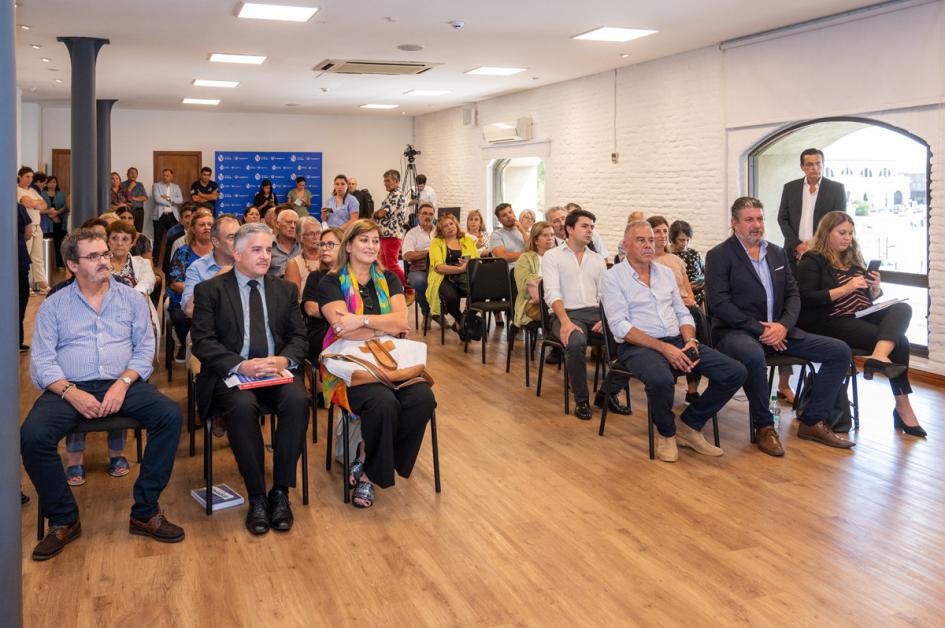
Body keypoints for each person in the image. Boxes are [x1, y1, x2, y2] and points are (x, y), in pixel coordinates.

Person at [21, 228, 185, 561]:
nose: (103, 261)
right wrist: (71, 393)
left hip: (122, 382)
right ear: (71, 264)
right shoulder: (54, 306)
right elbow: (41, 361)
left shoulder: (131, 299)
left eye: (105, 254)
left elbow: (144, 349)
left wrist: (123, 382)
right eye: (93, 256)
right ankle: (64, 519)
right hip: (68, 387)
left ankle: (145, 510)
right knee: (33, 436)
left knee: (169, 415)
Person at [705, 196, 854, 456]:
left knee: (839, 351)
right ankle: (764, 427)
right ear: (734, 224)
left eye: (760, 218)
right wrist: (761, 330)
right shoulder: (719, 255)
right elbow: (719, 304)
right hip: (736, 332)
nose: (756, 225)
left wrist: (782, 327)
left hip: (780, 331)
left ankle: (812, 421)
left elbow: (793, 295)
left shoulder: (776, 252)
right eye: (749, 219)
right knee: (752, 355)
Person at [191, 222, 309, 535]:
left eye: (269, 249)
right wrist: (240, 366)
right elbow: (202, 342)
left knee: (298, 400)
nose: (265, 256)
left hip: (276, 372)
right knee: (242, 408)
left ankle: (280, 491)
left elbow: (299, 336)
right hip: (232, 376)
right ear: (237, 253)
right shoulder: (210, 290)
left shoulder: (284, 290)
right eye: (257, 250)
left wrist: (284, 359)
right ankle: (257, 496)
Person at [601, 221, 747, 462]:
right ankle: (667, 434)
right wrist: (664, 348)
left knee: (735, 372)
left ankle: (690, 425)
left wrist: (690, 341)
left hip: (678, 340)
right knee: (660, 380)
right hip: (638, 346)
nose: (648, 244)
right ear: (626, 245)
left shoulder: (665, 273)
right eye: (641, 240)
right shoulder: (613, 278)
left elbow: (682, 314)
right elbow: (620, 327)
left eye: (651, 240)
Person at [316, 219, 435, 508]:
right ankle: (370, 478)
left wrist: (363, 320)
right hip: (351, 368)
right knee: (383, 403)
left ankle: (367, 459)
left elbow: (402, 321)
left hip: (390, 362)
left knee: (423, 398)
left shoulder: (389, 279)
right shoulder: (330, 282)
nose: (371, 246)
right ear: (349, 245)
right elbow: (343, 329)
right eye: (363, 240)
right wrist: (383, 326)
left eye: (375, 241)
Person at [797, 211, 925, 437]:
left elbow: (865, 296)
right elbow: (805, 299)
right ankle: (903, 407)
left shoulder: (853, 258)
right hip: (831, 319)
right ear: (827, 233)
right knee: (901, 342)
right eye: (842, 233)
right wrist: (845, 288)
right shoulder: (812, 260)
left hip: (860, 312)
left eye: (850, 233)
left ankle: (878, 356)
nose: (848, 238)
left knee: (903, 308)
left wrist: (874, 288)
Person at [63, 219, 157, 485]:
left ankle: (117, 454)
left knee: (120, 386)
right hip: (79, 369)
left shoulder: (139, 267)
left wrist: (128, 296)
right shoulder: (65, 297)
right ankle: (74, 459)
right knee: (74, 387)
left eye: (122, 240)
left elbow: (146, 285)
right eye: (111, 240)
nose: (115, 246)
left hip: (124, 338)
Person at [542, 209, 630, 421]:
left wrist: (605, 318)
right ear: (569, 229)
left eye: (592, 226)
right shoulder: (552, 256)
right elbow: (551, 293)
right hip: (565, 313)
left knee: (630, 338)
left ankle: (607, 394)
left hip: (594, 314)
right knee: (576, 342)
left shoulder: (598, 260)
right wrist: (564, 322)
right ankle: (582, 401)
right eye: (585, 226)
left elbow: (605, 295)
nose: (590, 230)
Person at [777, 148, 847, 264]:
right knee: (792, 282)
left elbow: (839, 222)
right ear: (802, 167)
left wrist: (816, 245)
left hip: (824, 252)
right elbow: (782, 218)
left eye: (818, 164)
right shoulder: (790, 188)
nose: (814, 168)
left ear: (823, 164)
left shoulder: (836, 189)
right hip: (793, 252)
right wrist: (797, 245)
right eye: (809, 164)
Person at [167, 208, 214, 361]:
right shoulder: (183, 252)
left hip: (215, 300)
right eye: (202, 225)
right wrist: (202, 293)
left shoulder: (220, 252)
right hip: (184, 299)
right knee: (180, 316)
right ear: (193, 228)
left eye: (210, 224)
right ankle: (186, 345)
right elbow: (175, 283)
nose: (207, 228)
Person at [426, 213, 480, 334]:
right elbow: (439, 267)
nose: (450, 227)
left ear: (456, 224)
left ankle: (465, 320)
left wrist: (468, 264)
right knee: (451, 297)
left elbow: (477, 259)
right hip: (443, 277)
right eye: (445, 226)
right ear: (441, 230)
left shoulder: (467, 240)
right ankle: (462, 321)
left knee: (478, 293)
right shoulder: (436, 242)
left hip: (465, 277)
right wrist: (461, 269)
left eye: (451, 223)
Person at [182, 214, 242, 318]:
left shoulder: (249, 264)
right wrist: (216, 280)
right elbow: (189, 310)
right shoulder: (197, 268)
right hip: (210, 329)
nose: (238, 243)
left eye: (240, 237)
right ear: (216, 242)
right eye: (232, 237)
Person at [301, 227, 343, 366]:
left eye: (330, 244)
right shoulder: (316, 276)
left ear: (344, 247)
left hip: (352, 330)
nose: (324, 248)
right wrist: (346, 316)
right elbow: (310, 309)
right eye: (322, 244)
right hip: (322, 331)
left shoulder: (353, 276)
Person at [647, 216, 697, 307]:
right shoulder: (644, 263)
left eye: (665, 231)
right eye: (657, 231)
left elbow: (689, 293)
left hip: (685, 309)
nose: (662, 235)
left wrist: (690, 301)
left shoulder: (676, 260)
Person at [513, 221, 555, 328]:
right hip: (533, 304)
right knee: (561, 314)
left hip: (556, 300)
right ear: (536, 240)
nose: (550, 238)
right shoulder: (525, 258)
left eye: (552, 235)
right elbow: (523, 286)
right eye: (545, 235)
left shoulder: (558, 258)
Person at [373, 169, 409, 286]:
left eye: (388, 180)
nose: (385, 183)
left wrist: (373, 215)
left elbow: (381, 213)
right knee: (384, 266)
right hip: (387, 236)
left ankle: (410, 289)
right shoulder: (392, 195)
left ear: (397, 181)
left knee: (392, 265)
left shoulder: (396, 195)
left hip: (392, 236)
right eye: (384, 181)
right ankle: (389, 289)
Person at [17, 166, 50, 293]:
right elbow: (27, 203)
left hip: (37, 226)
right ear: (20, 176)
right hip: (26, 227)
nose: (29, 179)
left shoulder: (32, 190)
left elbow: (44, 204)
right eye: (27, 177)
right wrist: (35, 203)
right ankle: (25, 284)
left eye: (31, 177)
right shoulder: (17, 190)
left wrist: (34, 202)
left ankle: (42, 283)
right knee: (25, 256)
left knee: (38, 256)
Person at [402, 202, 436, 324]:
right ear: (418, 215)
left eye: (431, 214)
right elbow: (407, 255)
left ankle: (439, 313)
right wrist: (428, 252)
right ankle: (426, 313)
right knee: (420, 282)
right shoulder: (412, 233)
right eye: (424, 213)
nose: (428, 216)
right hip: (418, 268)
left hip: (438, 267)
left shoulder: (439, 232)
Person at [284, 216, 322, 299]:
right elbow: (293, 300)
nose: (316, 237)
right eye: (311, 234)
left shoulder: (328, 258)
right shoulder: (294, 264)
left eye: (318, 233)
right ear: (300, 237)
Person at [669, 220, 705, 305]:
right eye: (681, 240)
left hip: (701, 296)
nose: (685, 244)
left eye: (687, 240)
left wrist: (702, 282)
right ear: (672, 238)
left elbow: (705, 271)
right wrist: (686, 286)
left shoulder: (694, 253)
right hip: (680, 299)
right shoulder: (667, 257)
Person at [152, 168, 184, 260]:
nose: (165, 177)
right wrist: (172, 201)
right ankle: (155, 260)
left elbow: (180, 200)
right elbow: (157, 199)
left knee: (173, 238)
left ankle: (172, 258)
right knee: (157, 239)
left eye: (168, 175)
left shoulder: (176, 187)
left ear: (172, 176)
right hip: (160, 216)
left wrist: (168, 198)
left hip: (172, 216)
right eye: (164, 175)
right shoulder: (156, 185)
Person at [160, 203, 195, 276]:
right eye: (187, 216)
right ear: (181, 220)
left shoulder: (205, 237)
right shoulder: (175, 238)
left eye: (193, 216)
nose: (191, 219)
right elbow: (169, 266)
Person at [41, 175, 69, 269]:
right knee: (45, 244)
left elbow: (66, 206)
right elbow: (41, 207)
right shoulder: (42, 193)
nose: (52, 184)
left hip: (59, 222)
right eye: (50, 182)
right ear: (46, 183)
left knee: (59, 244)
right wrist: (51, 215)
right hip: (46, 223)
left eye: (54, 182)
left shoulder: (62, 194)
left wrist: (57, 212)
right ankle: (45, 266)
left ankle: (60, 265)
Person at [489, 203, 528, 269]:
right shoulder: (496, 234)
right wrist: (526, 255)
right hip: (510, 270)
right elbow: (503, 256)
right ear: (500, 220)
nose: (509, 216)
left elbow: (533, 250)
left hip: (527, 268)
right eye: (504, 215)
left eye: (510, 212)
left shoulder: (523, 232)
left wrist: (523, 231)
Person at [16, 202, 32, 351]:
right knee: (21, 297)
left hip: (19, 257)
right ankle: (17, 339)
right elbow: (28, 232)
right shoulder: (18, 207)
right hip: (18, 255)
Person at [269, 209, 300, 278]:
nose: (293, 226)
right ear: (277, 224)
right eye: (289, 222)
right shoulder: (268, 246)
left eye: (296, 223)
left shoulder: (303, 246)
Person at [122, 167, 149, 231]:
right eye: (131, 173)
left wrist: (134, 198)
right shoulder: (122, 184)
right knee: (126, 229)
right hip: (127, 211)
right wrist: (130, 188)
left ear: (137, 175)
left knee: (138, 230)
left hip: (139, 211)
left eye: (135, 173)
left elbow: (145, 198)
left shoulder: (140, 185)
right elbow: (124, 198)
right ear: (127, 174)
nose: (133, 174)